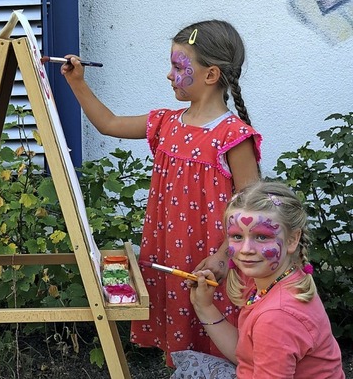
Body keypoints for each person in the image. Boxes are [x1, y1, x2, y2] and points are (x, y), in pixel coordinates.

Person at [60, 20, 261, 365]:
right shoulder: (165, 122)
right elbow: (108, 123)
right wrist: (76, 83)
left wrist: (223, 257)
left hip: (213, 260)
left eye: (178, 67)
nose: (170, 75)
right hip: (172, 254)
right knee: (183, 342)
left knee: (222, 344)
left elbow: (254, 208)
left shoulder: (233, 136)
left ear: (211, 75)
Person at [189, 181, 344, 378]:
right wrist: (204, 307)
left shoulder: (277, 316)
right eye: (236, 236)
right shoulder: (271, 280)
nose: (245, 249)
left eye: (262, 237)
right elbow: (249, 355)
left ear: (292, 240)